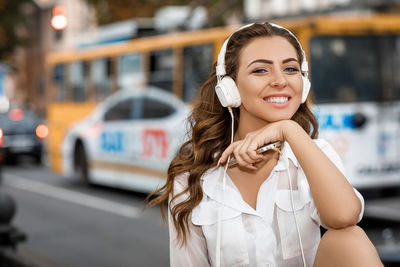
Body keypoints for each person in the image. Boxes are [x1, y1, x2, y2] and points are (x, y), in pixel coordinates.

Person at [147, 22, 383, 267]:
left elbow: (344, 217)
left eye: (291, 69)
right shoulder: (192, 177)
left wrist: (288, 129)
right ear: (230, 88)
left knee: (349, 238)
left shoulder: (315, 155)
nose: (280, 81)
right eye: (261, 70)